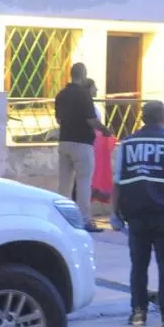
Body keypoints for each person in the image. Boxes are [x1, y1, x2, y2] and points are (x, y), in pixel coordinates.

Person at [112, 101, 164, 327]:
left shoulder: (127, 143)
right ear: (162, 118)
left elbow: (118, 180)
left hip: (136, 213)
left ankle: (138, 312)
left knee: (138, 264)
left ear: (143, 118)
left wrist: (114, 210)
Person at [55, 62, 112, 232]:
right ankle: (84, 220)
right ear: (83, 74)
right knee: (83, 183)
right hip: (82, 142)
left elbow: (59, 119)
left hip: (64, 141)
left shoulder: (61, 94)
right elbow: (92, 120)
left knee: (64, 183)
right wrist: (106, 130)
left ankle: (60, 218)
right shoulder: (84, 96)